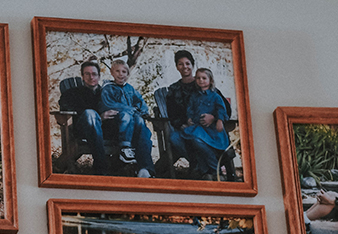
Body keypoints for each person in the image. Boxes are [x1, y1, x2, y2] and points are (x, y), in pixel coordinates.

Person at [164, 50, 234, 180]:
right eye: (180, 64)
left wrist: (214, 118)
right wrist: (183, 123)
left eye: (187, 63)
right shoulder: (174, 90)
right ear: (176, 67)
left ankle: (207, 170)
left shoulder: (205, 85)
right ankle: (200, 167)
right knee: (174, 138)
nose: (184, 67)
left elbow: (225, 109)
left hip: (208, 127)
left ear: (192, 65)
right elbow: (172, 114)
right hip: (188, 127)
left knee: (199, 139)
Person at [99, 59, 156, 178]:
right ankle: (127, 149)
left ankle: (144, 171)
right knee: (126, 115)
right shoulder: (108, 88)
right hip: (115, 126)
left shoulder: (130, 89)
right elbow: (108, 104)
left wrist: (142, 111)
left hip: (132, 126)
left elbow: (140, 102)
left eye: (124, 71)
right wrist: (130, 110)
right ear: (111, 73)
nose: (121, 74)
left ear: (127, 74)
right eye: (117, 71)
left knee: (143, 127)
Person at [181, 68, 237, 181]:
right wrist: (189, 119)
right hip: (199, 128)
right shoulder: (194, 96)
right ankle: (214, 169)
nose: (201, 80)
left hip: (212, 130)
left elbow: (222, 110)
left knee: (198, 141)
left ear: (210, 80)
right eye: (198, 78)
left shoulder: (215, 96)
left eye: (204, 78)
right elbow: (190, 109)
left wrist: (219, 120)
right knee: (196, 141)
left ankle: (212, 170)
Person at [58, 60, 112, 175]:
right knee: (89, 114)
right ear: (82, 76)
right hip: (81, 130)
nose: (91, 77)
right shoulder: (72, 93)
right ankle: (101, 166)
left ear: (99, 76)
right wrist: (98, 117)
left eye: (94, 74)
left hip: (106, 131)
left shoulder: (106, 94)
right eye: (87, 74)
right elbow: (64, 106)